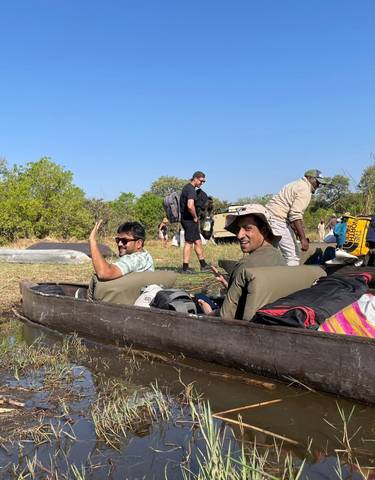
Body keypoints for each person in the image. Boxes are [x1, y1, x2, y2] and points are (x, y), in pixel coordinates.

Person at [198, 204, 285, 315]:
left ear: (263, 230)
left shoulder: (245, 265)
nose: (239, 235)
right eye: (238, 229)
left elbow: (226, 316)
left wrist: (209, 312)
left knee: (199, 302)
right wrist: (230, 285)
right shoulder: (279, 257)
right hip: (272, 318)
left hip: (246, 327)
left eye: (247, 228)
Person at [266, 169, 329, 266]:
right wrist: (303, 239)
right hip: (277, 220)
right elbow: (295, 215)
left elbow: (291, 216)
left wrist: (297, 233)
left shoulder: (293, 184)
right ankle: (291, 280)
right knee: (293, 255)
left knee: (273, 253)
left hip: (268, 217)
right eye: (317, 182)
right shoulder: (305, 189)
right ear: (309, 178)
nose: (318, 185)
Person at [85, 220, 154, 300]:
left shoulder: (136, 259)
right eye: (118, 240)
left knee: (97, 279)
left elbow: (103, 273)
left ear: (139, 243)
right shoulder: (145, 255)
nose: (120, 244)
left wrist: (92, 241)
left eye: (125, 241)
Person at [179, 171, 210, 273]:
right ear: (195, 178)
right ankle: (185, 268)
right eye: (201, 181)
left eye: (203, 181)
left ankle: (203, 265)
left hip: (188, 219)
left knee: (197, 241)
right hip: (189, 220)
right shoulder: (191, 190)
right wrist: (195, 217)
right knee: (189, 242)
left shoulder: (187, 188)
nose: (202, 183)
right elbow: (190, 205)